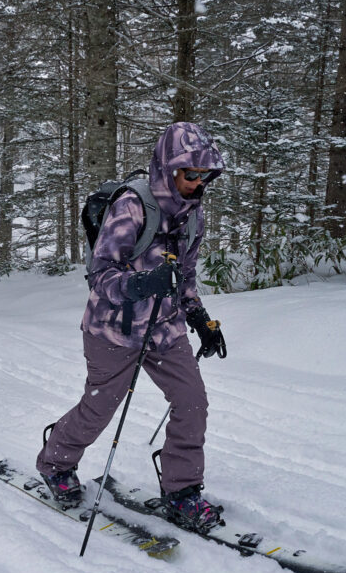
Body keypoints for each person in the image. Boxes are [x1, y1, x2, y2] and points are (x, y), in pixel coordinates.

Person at [36, 122, 228, 532]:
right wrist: (142, 283)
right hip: (113, 329)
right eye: (189, 174)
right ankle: (56, 462)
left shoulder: (193, 218)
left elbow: (186, 280)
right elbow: (100, 275)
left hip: (164, 328)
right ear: (167, 167)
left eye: (204, 175)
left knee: (193, 400)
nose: (197, 183)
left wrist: (200, 319)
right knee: (101, 406)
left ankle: (182, 491)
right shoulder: (132, 206)